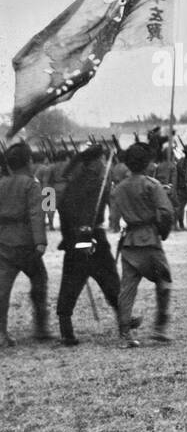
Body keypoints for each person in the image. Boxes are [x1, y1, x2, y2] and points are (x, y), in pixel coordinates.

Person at [55, 144, 135, 345]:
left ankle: (66, 331)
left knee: (71, 281)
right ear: (93, 162)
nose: (102, 163)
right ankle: (124, 321)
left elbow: (63, 211)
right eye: (100, 159)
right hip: (94, 238)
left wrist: (69, 237)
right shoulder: (97, 184)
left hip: (76, 239)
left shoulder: (73, 184)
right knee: (110, 278)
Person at [111, 142, 174, 347]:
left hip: (129, 241)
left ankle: (124, 334)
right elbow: (166, 213)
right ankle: (160, 328)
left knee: (127, 289)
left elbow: (114, 219)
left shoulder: (119, 188)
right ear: (147, 163)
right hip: (149, 239)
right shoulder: (152, 185)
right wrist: (162, 232)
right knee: (163, 282)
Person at [0, 142, 52, 345]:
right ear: (29, 162)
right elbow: (35, 213)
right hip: (26, 244)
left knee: (2, 291)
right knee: (40, 281)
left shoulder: (1, 183)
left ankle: (1, 333)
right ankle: (40, 327)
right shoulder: (32, 184)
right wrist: (41, 242)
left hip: (4, 242)